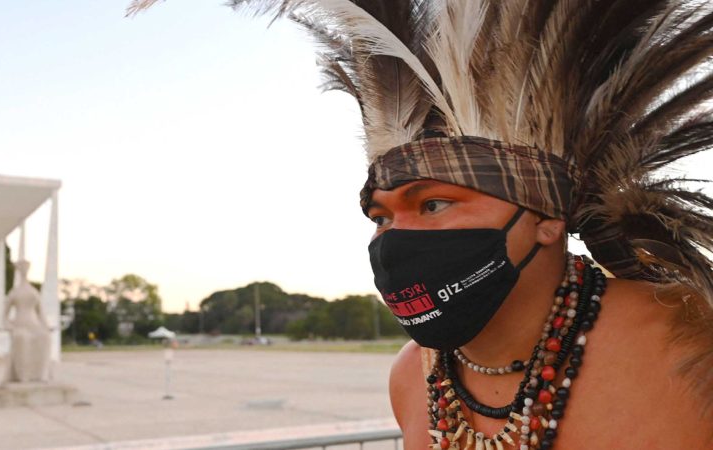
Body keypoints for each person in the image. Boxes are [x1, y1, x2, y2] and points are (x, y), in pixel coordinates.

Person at [130, 0, 713, 448]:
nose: (394, 240)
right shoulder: (414, 375)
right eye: (380, 216)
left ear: (545, 219)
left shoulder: (685, 333)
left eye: (433, 204)